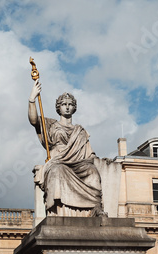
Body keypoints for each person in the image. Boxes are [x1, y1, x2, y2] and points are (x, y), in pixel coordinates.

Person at [28, 79, 105, 217]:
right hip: (58, 161)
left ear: (74, 108)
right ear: (59, 107)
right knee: (58, 170)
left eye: (70, 104)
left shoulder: (80, 131)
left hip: (79, 163)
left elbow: (90, 154)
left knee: (92, 171)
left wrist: (101, 162)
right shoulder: (51, 124)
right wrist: (32, 99)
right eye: (64, 104)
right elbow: (34, 120)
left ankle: (96, 208)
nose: (67, 107)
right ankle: (58, 211)